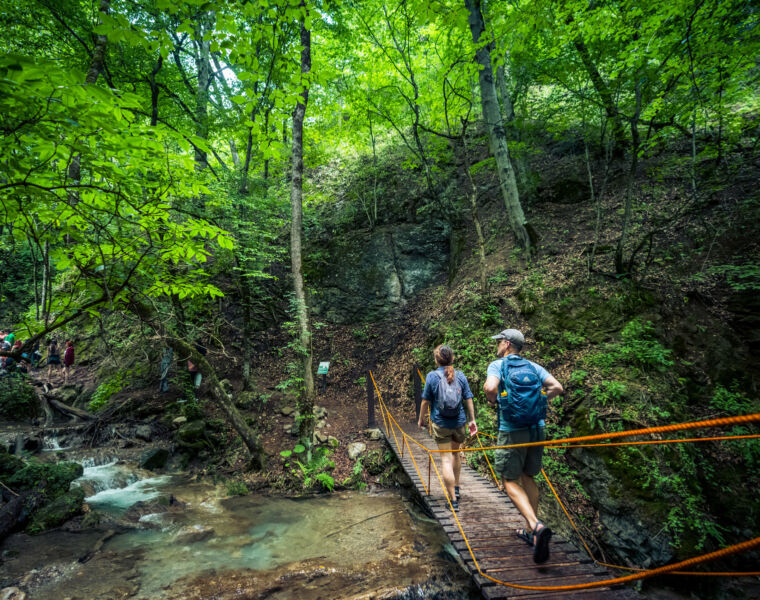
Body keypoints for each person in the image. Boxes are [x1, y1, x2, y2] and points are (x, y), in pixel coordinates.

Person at [484, 328, 563, 564]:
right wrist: (540, 401)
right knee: (529, 476)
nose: (496, 345)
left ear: (507, 344)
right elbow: (557, 387)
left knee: (509, 480)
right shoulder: (534, 367)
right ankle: (531, 533)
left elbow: (490, 388)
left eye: (499, 342)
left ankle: (535, 526)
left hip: (512, 429)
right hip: (537, 428)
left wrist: (496, 401)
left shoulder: (498, 365)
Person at [417, 344, 478, 513]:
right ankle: (456, 488)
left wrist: (421, 419)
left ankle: (452, 499)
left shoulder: (432, 376)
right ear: (452, 358)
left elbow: (425, 401)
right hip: (459, 423)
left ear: (437, 360)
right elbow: (469, 398)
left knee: (445, 459)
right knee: (455, 455)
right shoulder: (460, 375)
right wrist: (472, 419)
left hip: (441, 424)